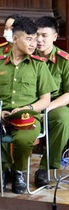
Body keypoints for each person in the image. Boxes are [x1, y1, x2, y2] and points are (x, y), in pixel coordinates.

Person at [0, 16, 56, 194]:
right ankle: (2, 170)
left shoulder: (39, 66)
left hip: (27, 116)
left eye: (35, 38)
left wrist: (28, 109)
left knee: (24, 140)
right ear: (15, 38)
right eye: (29, 39)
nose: (34, 43)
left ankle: (17, 171)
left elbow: (45, 99)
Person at [29, 16, 68, 187]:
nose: (39, 40)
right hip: (28, 104)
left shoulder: (64, 60)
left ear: (54, 36)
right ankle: (8, 170)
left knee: (63, 120)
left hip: (54, 105)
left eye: (44, 35)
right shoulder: (27, 57)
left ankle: (44, 168)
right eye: (36, 35)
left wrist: (47, 108)